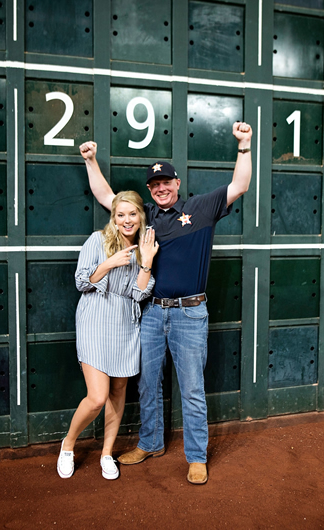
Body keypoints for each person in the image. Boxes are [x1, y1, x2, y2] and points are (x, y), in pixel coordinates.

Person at [79, 121, 253, 484]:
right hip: (153, 310)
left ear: (176, 184)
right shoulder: (143, 217)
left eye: (166, 183)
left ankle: (196, 457)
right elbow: (107, 198)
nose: (161, 188)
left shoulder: (201, 209)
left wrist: (244, 145)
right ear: (150, 190)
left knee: (190, 387)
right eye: (155, 185)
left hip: (191, 312)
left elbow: (240, 185)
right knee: (147, 383)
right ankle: (150, 442)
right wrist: (91, 161)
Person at [57, 191, 159, 480]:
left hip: (126, 325)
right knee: (98, 396)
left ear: (141, 216)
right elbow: (81, 281)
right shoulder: (97, 240)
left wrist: (147, 261)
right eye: (121, 214)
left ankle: (106, 454)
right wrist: (109, 263)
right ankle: (68, 445)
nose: (127, 220)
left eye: (132, 214)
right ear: (113, 218)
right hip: (95, 319)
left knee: (117, 392)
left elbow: (139, 294)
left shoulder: (144, 247)